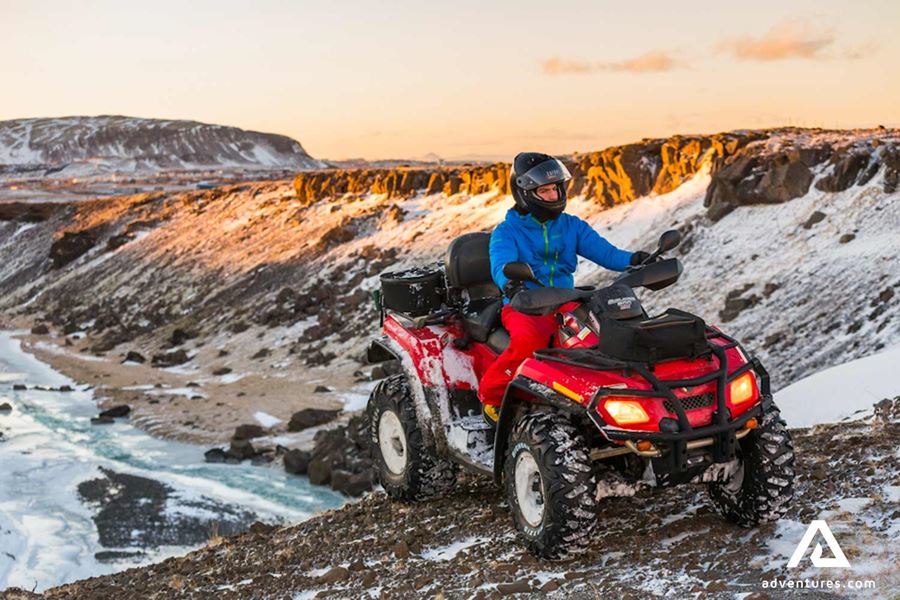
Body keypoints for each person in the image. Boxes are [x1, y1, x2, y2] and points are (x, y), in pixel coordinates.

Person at [478, 152, 650, 424]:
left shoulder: (571, 226)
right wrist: (511, 284)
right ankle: (492, 397)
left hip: (566, 300)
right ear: (525, 192)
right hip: (525, 304)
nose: (553, 195)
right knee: (528, 343)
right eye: (544, 190)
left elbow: (606, 253)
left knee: (605, 336)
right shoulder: (507, 232)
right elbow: (501, 264)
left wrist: (634, 260)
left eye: (556, 188)